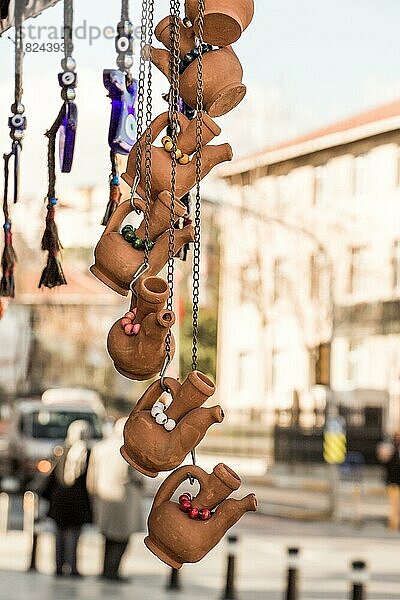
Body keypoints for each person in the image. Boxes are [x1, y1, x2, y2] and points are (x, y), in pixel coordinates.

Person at [87, 418, 144, 582]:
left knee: (107, 538)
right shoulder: (130, 450)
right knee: (122, 539)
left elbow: (91, 478)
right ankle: (113, 571)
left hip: (104, 499)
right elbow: (137, 476)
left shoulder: (100, 447)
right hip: (124, 500)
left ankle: (105, 569)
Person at [41, 420, 92, 576]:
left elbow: (50, 476)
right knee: (74, 537)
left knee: (59, 535)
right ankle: (73, 568)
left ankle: (58, 566)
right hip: (78, 500)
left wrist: (46, 496)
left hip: (59, 499)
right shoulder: (87, 452)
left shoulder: (60, 450)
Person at [377, 432, 400, 531]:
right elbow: (383, 459)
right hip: (394, 483)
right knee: (394, 506)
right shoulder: (391, 450)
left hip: (394, 481)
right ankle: (394, 525)